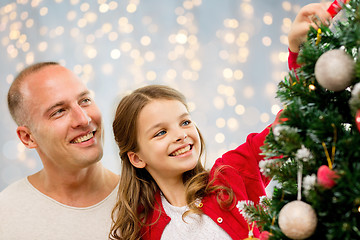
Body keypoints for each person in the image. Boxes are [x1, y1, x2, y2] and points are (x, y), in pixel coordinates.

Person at [109, 2, 332, 240]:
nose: (180, 134)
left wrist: (299, 51)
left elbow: (291, 124)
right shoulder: (142, 229)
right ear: (137, 157)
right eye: (160, 132)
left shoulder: (230, 176)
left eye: (184, 122)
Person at [0, 62, 119, 240]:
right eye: (59, 111)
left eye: (85, 101)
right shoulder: (6, 214)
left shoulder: (148, 201)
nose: (84, 119)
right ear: (27, 137)